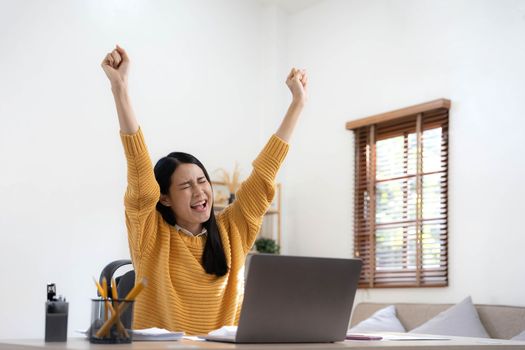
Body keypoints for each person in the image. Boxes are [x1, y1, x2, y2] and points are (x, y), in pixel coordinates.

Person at [101, 45, 307, 335]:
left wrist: (297, 103)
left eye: (202, 181)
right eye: (185, 185)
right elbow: (140, 177)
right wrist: (120, 88)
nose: (200, 192)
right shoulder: (149, 234)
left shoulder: (232, 229)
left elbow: (264, 175)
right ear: (165, 198)